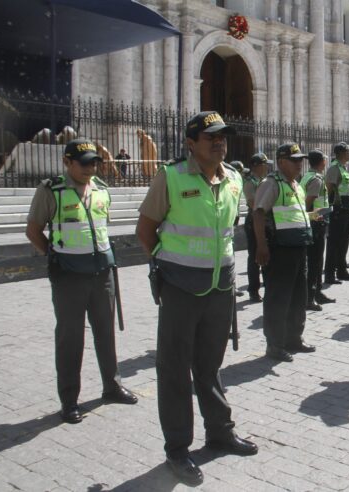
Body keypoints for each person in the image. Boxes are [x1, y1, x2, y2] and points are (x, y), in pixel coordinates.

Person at [135, 111, 257, 486]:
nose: (219, 143)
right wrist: (169, 266)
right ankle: (177, 448)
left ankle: (219, 431)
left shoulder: (234, 178)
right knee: (174, 369)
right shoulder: (170, 177)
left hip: (221, 288)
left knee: (210, 366)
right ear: (191, 144)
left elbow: (227, 231)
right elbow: (145, 229)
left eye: (223, 137)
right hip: (180, 288)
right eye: (211, 138)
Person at [26, 138, 137, 425]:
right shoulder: (51, 190)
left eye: (94, 162)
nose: (91, 168)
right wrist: (53, 255)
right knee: (70, 338)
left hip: (102, 272)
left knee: (105, 332)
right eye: (85, 163)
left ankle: (112, 386)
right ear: (67, 162)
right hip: (69, 276)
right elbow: (33, 230)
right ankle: (69, 399)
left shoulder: (102, 190)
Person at [253, 143, 315, 362]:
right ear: (281, 162)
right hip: (279, 251)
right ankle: (275, 345)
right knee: (278, 299)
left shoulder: (296, 185)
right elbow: (258, 214)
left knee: (299, 297)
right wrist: (261, 246)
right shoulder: (271, 183)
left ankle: (294, 338)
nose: (300, 164)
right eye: (295, 160)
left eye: (301, 160)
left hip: (298, 248)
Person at [301, 149, 336, 311]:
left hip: (316, 221)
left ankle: (317, 293)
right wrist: (312, 216)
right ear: (321, 162)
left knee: (316, 260)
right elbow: (309, 202)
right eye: (324, 160)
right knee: (314, 262)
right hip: (315, 223)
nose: (325, 162)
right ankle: (309, 297)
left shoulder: (308, 176)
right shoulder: (316, 179)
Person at [324, 142, 349, 283]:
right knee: (333, 243)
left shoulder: (343, 168)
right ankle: (330, 274)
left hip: (346, 210)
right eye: (347, 151)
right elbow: (329, 189)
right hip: (338, 210)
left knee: (344, 241)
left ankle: (342, 270)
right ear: (341, 153)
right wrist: (331, 207)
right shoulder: (334, 168)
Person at [242, 153, 270, 302]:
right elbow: (253, 203)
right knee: (254, 257)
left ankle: (268, 284)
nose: (266, 167)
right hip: (253, 220)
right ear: (256, 166)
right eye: (264, 164)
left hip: (265, 220)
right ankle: (253, 289)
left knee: (266, 254)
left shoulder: (264, 180)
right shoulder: (250, 182)